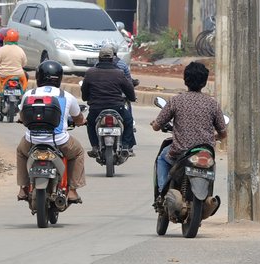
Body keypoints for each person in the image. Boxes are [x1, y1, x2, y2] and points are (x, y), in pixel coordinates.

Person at [150, 61, 227, 195]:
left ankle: (162, 193)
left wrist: (155, 124)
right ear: (204, 82)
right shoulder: (213, 104)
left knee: (162, 158)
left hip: (180, 153)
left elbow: (157, 126)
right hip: (205, 153)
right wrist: (214, 136)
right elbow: (223, 133)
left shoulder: (176, 101)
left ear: (185, 80)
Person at [17, 60, 87, 202]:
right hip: (59, 141)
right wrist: (82, 122)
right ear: (59, 78)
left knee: (20, 151)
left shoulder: (29, 94)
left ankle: (23, 188)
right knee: (78, 152)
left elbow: (22, 116)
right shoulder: (67, 96)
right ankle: (72, 190)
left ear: (38, 77)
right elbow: (78, 118)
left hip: (32, 141)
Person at [81, 46, 136, 156]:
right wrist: (132, 98)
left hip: (96, 109)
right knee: (129, 121)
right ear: (112, 59)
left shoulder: (90, 73)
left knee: (90, 124)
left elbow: (84, 92)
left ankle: (95, 147)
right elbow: (129, 89)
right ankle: (125, 146)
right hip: (117, 107)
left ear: (99, 58)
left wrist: (87, 98)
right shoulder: (119, 73)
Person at [0, 28, 28, 97]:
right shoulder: (20, 50)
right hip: (19, 75)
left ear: (5, 38)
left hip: (3, 75)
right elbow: (24, 63)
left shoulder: (1, 50)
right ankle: (22, 94)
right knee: (26, 76)